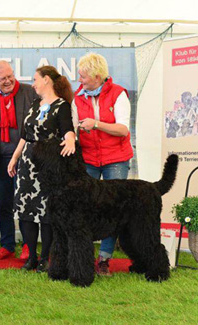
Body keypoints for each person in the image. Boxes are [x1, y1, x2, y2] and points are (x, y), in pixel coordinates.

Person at [8, 65, 76, 272]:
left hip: (48, 165)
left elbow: (68, 130)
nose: (33, 83)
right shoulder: (35, 104)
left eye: (36, 79)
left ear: (46, 79)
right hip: (27, 164)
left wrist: (71, 141)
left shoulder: (62, 105)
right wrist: (14, 158)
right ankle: (32, 256)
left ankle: (46, 257)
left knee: (46, 213)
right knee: (25, 211)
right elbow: (24, 135)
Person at [72, 53, 134, 276]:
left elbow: (123, 129)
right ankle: (83, 258)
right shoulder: (77, 98)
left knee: (111, 210)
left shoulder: (119, 94)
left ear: (97, 76)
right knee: (85, 210)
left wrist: (96, 124)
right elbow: (73, 131)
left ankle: (104, 260)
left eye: (83, 76)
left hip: (115, 159)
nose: (80, 80)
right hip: (88, 160)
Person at [0, 60, 37, 260]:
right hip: (0, 161)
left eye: (10, 76)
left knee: (26, 204)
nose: (8, 81)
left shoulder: (29, 92)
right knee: (4, 205)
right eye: (3, 78)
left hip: (27, 159)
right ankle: (7, 245)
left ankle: (29, 245)